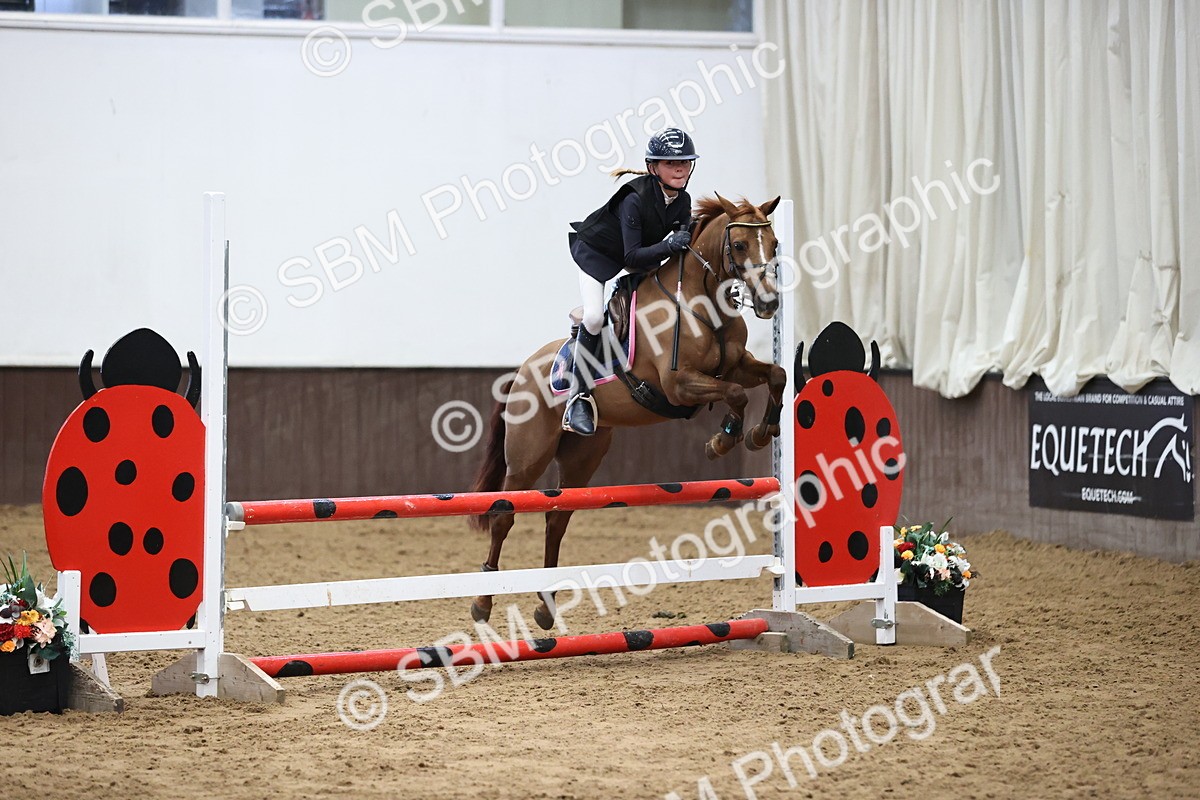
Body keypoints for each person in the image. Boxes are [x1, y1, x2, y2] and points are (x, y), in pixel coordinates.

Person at [561, 127, 698, 436]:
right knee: (595, 317)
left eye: (685, 162)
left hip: (637, 256)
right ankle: (577, 399)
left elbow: (676, 245)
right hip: (596, 255)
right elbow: (632, 257)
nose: (679, 169)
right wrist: (669, 245)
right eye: (670, 163)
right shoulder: (635, 199)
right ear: (653, 167)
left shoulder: (682, 199)